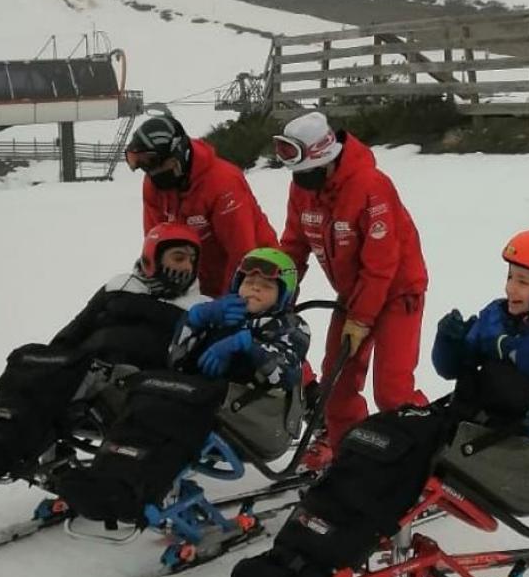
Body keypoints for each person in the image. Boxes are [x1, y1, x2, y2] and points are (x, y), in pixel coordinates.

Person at [229, 229, 529, 577]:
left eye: (523, 281)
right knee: (369, 436)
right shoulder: (499, 316)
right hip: (466, 428)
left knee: (396, 454)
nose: (511, 288)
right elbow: (449, 369)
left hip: (518, 458)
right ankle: (293, 552)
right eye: (510, 276)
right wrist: (451, 343)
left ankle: (315, 570)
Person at [54, 248, 311, 524]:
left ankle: (139, 491)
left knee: (175, 419)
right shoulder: (223, 316)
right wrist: (197, 320)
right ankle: (106, 478)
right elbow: (176, 359)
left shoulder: (290, 326)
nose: (255, 290)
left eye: (266, 287)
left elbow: (285, 374)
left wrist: (247, 344)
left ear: (283, 295)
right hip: (201, 398)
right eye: (249, 283)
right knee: (145, 398)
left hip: (255, 414)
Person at [0, 223, 206, 482]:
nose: (186, 266)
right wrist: (51, 361)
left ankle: (9, 450)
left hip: (129, 384)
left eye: (191, 260)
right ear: (152, 257)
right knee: (29, 360)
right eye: (178, 257)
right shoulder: (120, 286)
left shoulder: (198, 308)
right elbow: (77, 328)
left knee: (59, 384)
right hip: (82, 367)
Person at [274, 112, 429, 468]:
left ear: (324, 158)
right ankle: (352, 460)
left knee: (392, 391)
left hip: (397, 291)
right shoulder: (303, 188)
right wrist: (278, 290)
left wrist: (359, 321)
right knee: (336, 386)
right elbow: (294, 246)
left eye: (304, 171)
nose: (298, 181)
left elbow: (381, 265)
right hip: (353, 294)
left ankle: (422, 459)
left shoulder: (371, 186)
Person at [125, 110, 278, 297]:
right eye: (144, 166)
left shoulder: (223, 183)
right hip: (198, 277)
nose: (152, 172)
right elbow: (156, 243)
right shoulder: (154, 184)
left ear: (179, 156)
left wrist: (227, 301)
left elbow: (241, 252)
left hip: (257, 275)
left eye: (155, 164)